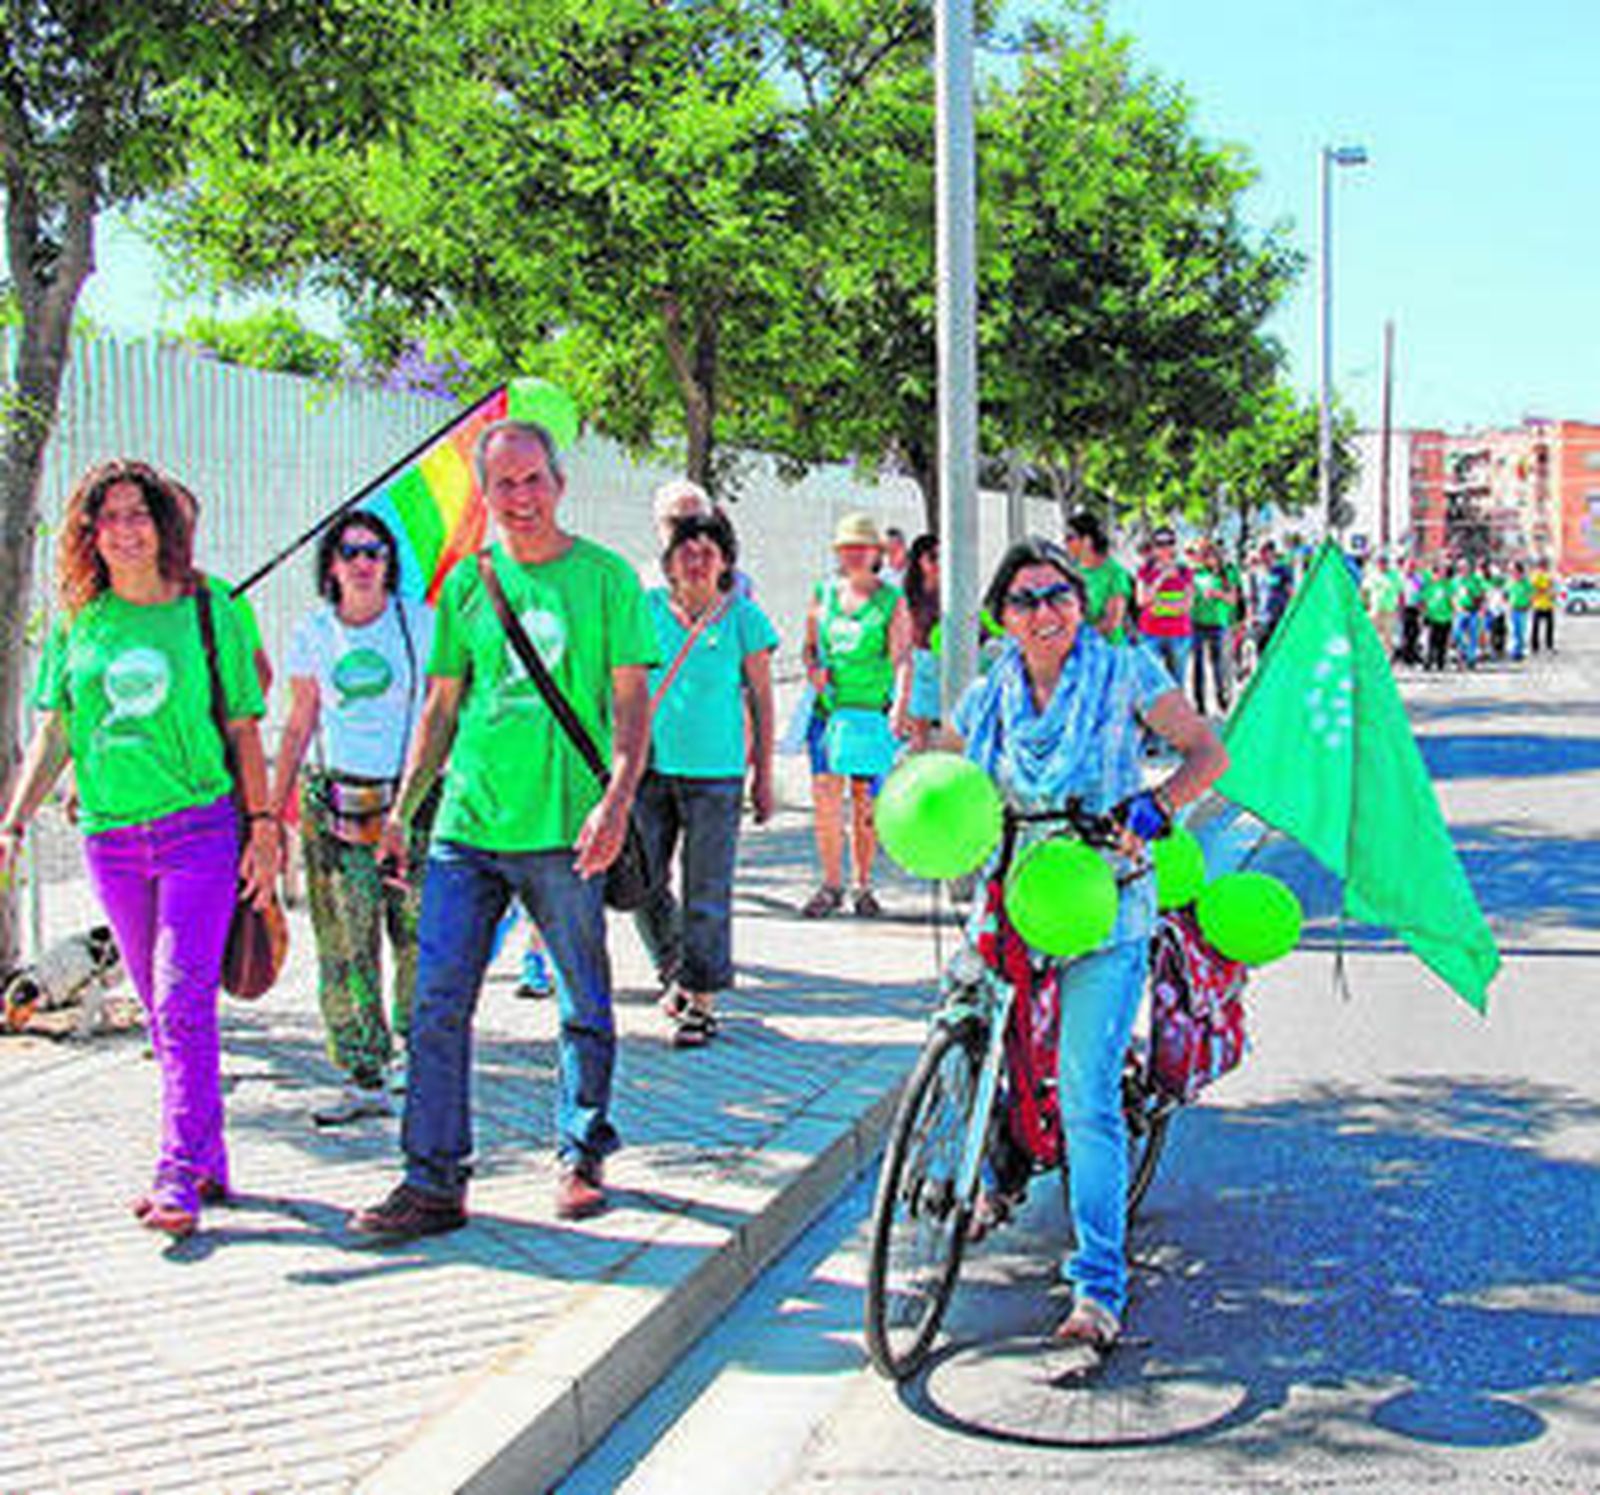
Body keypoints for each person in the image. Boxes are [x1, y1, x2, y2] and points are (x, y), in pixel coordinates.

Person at [349, 419, 656, 1240]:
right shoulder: (466, 585)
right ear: (484, 495)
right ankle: (433, 1181)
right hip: (467, 828)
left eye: (533, 481)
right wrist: (405, 810)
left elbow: (631, 702)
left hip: (565, 829)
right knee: (437, 1003)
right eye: (504, 485)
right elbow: (443, 706)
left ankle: (581, 1149)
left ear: (559, 484)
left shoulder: (607, 580)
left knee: (582, 997)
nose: (520, 498)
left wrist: (618, 797)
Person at [947, 537, 1226, 1351]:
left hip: (1104, 905)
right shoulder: (989, 693)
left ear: (1084, 601)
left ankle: (1098, 1287)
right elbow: (960, 778)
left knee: (1086, 1096)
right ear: (1002, 617)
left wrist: (1158, 806)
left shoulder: (1128, 669)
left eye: (1059, 594)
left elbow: (1208, 752)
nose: (1045, 611)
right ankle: (991, 1169)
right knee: (965, 1028)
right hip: (1013, 895)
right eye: (1026, 599)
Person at [0, 459, 277, 1238]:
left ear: (164, 524)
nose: (123, 529)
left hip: (199, 828)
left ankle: (176, 1173)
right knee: (162, 1012)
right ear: (88, 532)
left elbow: (244, 725)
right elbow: (56, 730)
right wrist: (13, 821)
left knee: (183, 998)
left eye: (137, 514)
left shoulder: (210, 607)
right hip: (112, 839)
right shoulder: (80, 621)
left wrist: (262, 826)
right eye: (106, 517)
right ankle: (210, 1149)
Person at [269, 510, 436, 1127]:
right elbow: (299, 721)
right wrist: (269, 813)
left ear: (389, 562)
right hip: (335, 800)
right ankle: (363, 1073)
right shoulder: (314, 633)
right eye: (350, 552)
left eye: (375, 551)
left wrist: (413, 801)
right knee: (344, 943)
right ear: (331, 567)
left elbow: (439, 716)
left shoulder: (421, 624)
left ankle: (425, 1067)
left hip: (414, 801)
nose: (363, 562)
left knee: (421, 938)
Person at [635, 510, 777, 1047]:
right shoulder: (645, 611)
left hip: (717, 775)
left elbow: (763, 700)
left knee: (707, 888)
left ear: (724, 563)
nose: (695, 561)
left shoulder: (743, 618)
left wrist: (764, 773)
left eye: (707, 553)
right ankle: (674, 964)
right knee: (640, 880)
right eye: (685, 552)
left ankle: (701, 1001)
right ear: (668, 563)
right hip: (649, 768)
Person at [800, 512, 912, 919]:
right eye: (846, 548)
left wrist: (899, 706)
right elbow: (809, 646)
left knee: (865, 804)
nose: (853, 555)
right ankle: (831, 884)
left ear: (876, 553)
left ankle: (863, 884)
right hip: (830, 714)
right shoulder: (823, 594)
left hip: (870, 716)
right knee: (827, 798)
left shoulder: (891, 601)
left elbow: (902, 658)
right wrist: (812, 668)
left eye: (861, 547)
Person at [1134, 526, 1194, 686]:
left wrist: (1158, 603)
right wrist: (1160, 579)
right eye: (1160, 544)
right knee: (1150, 682)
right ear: (1153, 548)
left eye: (1169, 543)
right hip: (1150, 633)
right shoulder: (1145, 570)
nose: (1165, 548)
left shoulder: (1184, 570)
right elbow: (1141, 600)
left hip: (1179, 633)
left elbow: (1187, 605)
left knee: (1176, 682)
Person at [1063, 511, 1133, 644]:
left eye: (1070, 537)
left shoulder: (1115, 573)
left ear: (1087, 541)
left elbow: (1112, 622)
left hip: (1109, 652)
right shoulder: (1070, 571)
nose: (1065, 543)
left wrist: (1078, 638)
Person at [1188, 537, 1238, 716]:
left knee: (1218, 665)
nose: (1206, 558)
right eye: (1203, 555)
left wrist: (1217, 594)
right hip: (1197, 623)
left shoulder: (1227, 574)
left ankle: (1222, 698)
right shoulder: (1195, 574)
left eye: (1209, 554)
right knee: (1198, 665)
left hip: (1218, 625)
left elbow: (1233, 600)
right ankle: (1199, 703)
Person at [902, 533, 942, 750]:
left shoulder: (952, 592)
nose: (940, 563)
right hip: (919, 666)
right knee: (919, 737)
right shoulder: (909, 593)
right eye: (934, 557)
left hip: (945, 664)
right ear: (920, 561)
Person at [1249, 540, 1294, 651]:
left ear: (1272, 552)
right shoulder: (1255, 573)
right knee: (1262, 653)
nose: (1262, 555)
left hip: (1280, 619)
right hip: (1262, 621)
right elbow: (1253, 597)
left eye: (1265, 551)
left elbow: (1291, 593)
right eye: (1260, 552)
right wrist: (1252, 616)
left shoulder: (1283, 570)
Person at [1360, 554, 1403, 661]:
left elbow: (1400, 592)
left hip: (1389, 610)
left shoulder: (1394, 576)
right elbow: (1364, 591)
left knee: (1387, 636)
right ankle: (1371, 657)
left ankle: (1387, 658)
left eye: (1384, 562)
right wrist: (1364, 605)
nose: (1382, 565)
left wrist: (1400, 608)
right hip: (1375, 609)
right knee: (1371, 634)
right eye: (1380, 562)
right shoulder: (1372, 576)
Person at [1421, 559, 1455, 672]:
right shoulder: (1430, 585)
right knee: (1431, 641)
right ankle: (1428, 661)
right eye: (1437, 572)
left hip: (1445, 617)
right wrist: (1424, 613)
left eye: (1442, 572)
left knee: (1442, 641)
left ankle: (1441, 662)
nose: (1439, 575)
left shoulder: (1448, 585)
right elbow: (1424, 600)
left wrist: (1453, 611)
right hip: (1433, 617)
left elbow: (1452, 600)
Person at [1529, 557, 1557, 654]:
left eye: (1545, 565)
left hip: (1548, 605)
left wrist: (1552, 592)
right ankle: (1534, 647)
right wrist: (1545, 588)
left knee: (1550, 627)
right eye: (1543, 565)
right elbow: (1534, 590)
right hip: (1538, 605)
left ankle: (1549, 646)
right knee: (1535, 627)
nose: (1544, 567)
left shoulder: (1549, 576)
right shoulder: (1535, 576)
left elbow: (1552, 589)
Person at [1507, 559, 1533, 661]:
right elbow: (1507, 594)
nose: (1511, 572)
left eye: (1513, 570)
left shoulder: (1526, 582)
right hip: (1513, 609)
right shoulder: (1510, 582)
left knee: (1521, 631)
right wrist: (1508, 605)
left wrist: (1528, 605)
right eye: (1510, 570)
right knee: (1514, 631)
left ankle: (1519, 651)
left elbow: (1531, 595)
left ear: (1519, 570)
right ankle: (1515, 651)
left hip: (1522, 610)